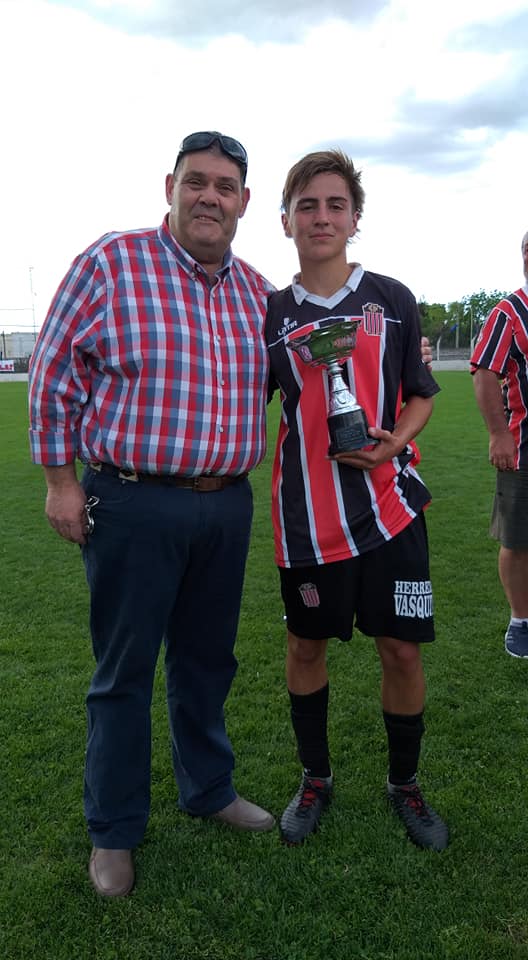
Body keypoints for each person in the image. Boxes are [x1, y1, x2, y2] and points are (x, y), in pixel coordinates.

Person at [28, 131, 277, 898]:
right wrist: (60, 483)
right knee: (124, 672)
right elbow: (53, 374)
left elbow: (296, 382)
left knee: (207, 662)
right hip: (132, 500)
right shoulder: (112, 263)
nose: (209, 197)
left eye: (225, 186)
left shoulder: (259, 293)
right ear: (170, 186)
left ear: (243, 201)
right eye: (196, 181)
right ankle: (114, 830)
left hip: (224, 504)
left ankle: (208, 789)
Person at [265, 149, 449, 851]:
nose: (321, 217)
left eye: (335, 204)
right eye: (307, 205)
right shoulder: (270, 313)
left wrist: (393, 440)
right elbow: (245, 400)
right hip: (309, 519)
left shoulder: (392, 300)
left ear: (355, 218)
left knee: (401, 651)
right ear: (286, 220)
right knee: (304, 645)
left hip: (390, 507)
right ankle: (315, 779)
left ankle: (406, 784)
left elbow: (421, 395)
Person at [470, 231, 528, 658]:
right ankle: (520, 620)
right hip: (525, 445)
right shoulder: (509, 312)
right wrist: (498, 433)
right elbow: (485, 372)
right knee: (518, 538)